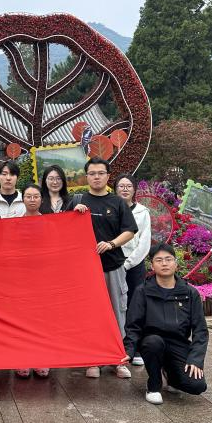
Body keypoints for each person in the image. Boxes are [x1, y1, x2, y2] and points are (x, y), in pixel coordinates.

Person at [69, 157, 138, 379]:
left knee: (117, 312)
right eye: (92, 173)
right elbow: (62, 229)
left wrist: (111, 244)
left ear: (108, 176)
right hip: (83, 271)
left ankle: (117, 359)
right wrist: (73, 214)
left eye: (101, 173)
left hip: (112, 266)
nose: (96, 177)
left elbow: (130, 231)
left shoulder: (117, 202)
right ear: (86, 176)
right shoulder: (77, 200)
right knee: (88, 314)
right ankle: (93, 359)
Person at [122, 243, 208, 405]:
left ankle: (169, 374)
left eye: (168, 259)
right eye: (159, 260)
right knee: (153, 342)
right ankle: (154, 386)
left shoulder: (190, 292)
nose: (164, 263)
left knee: (196, 385)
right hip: (151, 342)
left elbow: (200, 330)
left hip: (178, 343)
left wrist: (195, 359)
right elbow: (133, 325)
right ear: (152, 265)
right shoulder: (143, 291)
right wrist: (129, 350)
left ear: (175, 263)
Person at [114, 173, 151, 366]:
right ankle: (115, 346)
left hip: (134, 265)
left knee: (134, 305)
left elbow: (144, 242)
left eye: (128, 186)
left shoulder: (143, 212)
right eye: (121, 186)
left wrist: (128, 264)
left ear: (134, 189)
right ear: (115, 189)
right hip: (112, 263)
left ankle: (134, 348)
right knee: (114, 304)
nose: (125, 189)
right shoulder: (110, 209)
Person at [15, 183, 50, 379]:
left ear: (41, 199)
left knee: (42, 320)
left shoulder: (50, 222)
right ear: (23, 199)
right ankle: (22, 359)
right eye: (28, 196)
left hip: (42, 277)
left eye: (36, 196)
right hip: (20, 278)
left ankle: (41, 359)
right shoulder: (14, 223)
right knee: (21, 319)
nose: (32, 200)